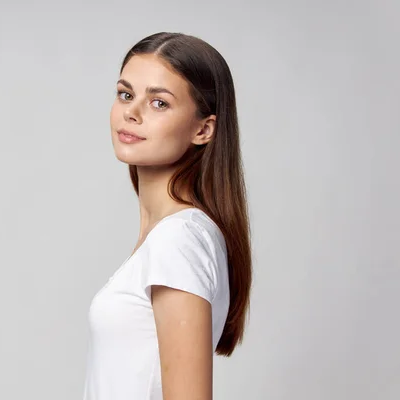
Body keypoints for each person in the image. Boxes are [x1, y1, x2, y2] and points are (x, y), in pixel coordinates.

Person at [83, 32, 252, 400]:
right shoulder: (172, 237)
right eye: (126, 94)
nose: (132, 111)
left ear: (203, 129)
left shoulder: (179, 240)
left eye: (159, 102)